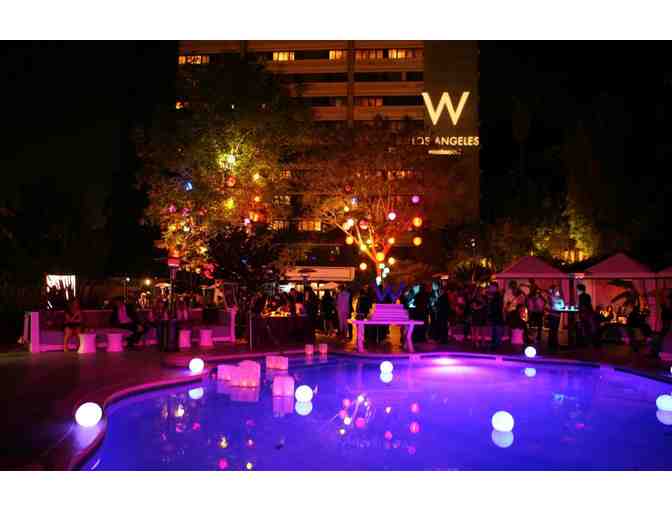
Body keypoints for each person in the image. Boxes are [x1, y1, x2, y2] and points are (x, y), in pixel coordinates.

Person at [486, 282, 505, 351]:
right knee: (495, 334)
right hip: (496, 317)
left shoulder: (497, 296)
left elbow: (497, 307)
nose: (490, 288)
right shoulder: (494, 296)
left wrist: (490, 313)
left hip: (497, 317)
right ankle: (495, 347)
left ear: (495, 288)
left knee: (497, 334)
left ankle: (496, 348)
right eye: (490, 287)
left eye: (491, 287)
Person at [546, 285, 563, 352]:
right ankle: (553, 343)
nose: (557, 291)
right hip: (553, 315)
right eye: (556, 290)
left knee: (554, 330)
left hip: (556, 315)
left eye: (557, 290)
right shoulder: (550, 297)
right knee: (553, 330)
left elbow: (561, 304)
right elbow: (549, 306)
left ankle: (553, 343)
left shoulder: (555, 297)